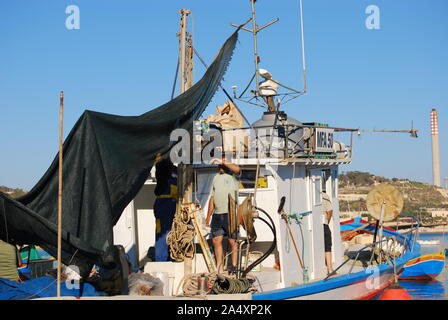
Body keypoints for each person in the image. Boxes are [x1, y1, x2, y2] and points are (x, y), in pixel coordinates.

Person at [205, 157, 241, 274]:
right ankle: (219, 269)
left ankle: (234, 267)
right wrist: (208, 216)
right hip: (217, 215)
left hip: (230, 213)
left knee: (232, 241)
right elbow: (212, 198)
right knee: (216, 240)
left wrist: (223, 161)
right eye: (219, 165)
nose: (219, 167)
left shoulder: (234, 177)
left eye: (221, 165)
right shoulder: (215, 178)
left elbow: (237, 169)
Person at [153, 158, 177, 261]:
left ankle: (167, 257)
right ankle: (162, 259)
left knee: (169, 233)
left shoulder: (170, 177)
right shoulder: (165, 177)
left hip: (168, 205)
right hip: (165, 206)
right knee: (163, 234)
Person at [322, 189, 334, 275]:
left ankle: (327, 268)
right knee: (327, 246)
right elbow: (330, 211)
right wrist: (327, 222)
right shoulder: (325, 196)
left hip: (315, 225)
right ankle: (330, 269)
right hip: (324, 224)